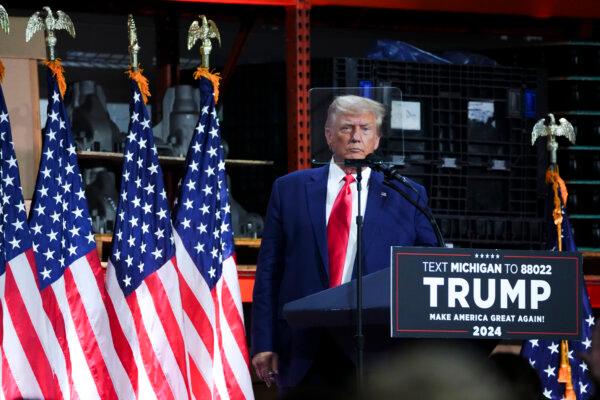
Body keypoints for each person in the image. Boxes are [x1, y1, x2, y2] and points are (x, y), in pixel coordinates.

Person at [251, 95, 438, 393]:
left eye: (365, 129)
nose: (355, 137)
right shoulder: (290, 189)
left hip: (376, 351)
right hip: (302, 346)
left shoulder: (407, 194)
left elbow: (426, 269)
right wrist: (263, 342)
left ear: (376, 140)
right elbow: (269, 273)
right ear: (328, 135)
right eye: (346, 128)